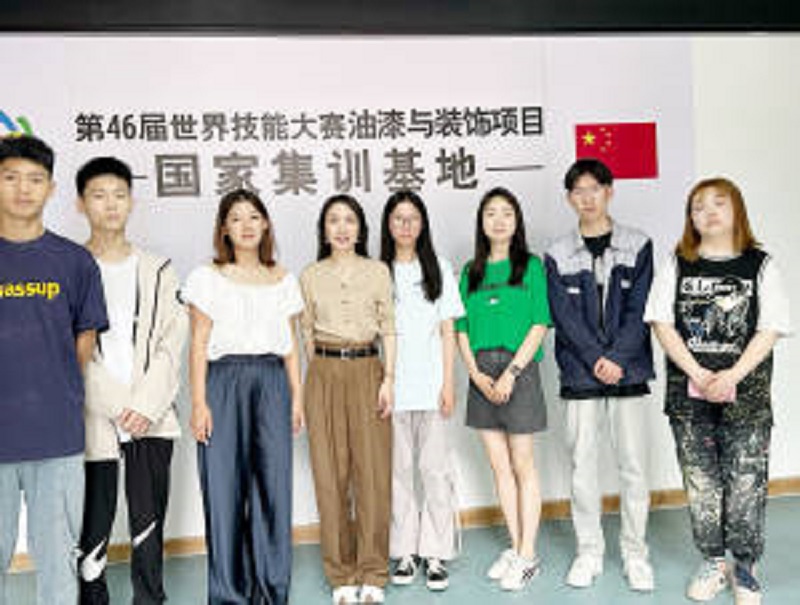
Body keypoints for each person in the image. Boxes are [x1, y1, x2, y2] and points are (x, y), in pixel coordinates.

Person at [645, 177, 791, 605]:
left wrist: (732, 376)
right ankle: (712, 561)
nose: (708, 212)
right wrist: (699, 374)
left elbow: (771, 328)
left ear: (736, 210)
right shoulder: (677, 263)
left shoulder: (760, 265)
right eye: (697, 206)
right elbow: (661, 323)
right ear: (689, 218)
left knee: (746, 481)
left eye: (718, 203)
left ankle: (744, 566)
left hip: (747, 395)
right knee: (701, 483)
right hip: (688, 395)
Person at [0, 135, 108, 605]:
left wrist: (54, 382)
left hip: (57, 437)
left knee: (59, 563)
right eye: (10, 177)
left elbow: (86, 336)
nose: (23, 189)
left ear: (51, 188)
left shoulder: (74, 261)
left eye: (35, 179)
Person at [75, 156, 188, 605]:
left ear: (131, 202)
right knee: (93, 525)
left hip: (150, 416)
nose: (110, 205)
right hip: (93, 417)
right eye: (99, 196)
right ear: (81, 204)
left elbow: (172, 342)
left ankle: (149, 599)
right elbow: (71, 350)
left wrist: (143, 405)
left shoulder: (158, 269)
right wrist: (117, 405)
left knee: (148, 522)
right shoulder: (69, 266)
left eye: (119, 195)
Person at [184, 188, 304, 605]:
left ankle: (271, 589)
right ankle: (229, 594)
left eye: (254, 216)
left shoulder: (283, 279)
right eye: (236, 218)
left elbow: (290, 344)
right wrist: (199, 402)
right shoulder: (206, 277)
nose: (246, 225)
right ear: (224, 229)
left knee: (273, 486)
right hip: (223, 381)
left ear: (266, 224)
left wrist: (297, 395)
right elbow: (198, 343)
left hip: (272, 381)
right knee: (224, 489)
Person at [544, 158, 655, 592]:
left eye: (594, 189)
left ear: (609, 191)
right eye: (578, 191)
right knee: (582, 468)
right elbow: (563, 316)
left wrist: (618, 357)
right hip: (580, 374)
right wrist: (595, 359)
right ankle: (588, 552)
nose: (587, 198)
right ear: (569, 198)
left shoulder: (638, 244)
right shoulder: (556, 253)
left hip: (628, 370)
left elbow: (642, 308)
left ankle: (635, 554)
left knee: (634, 467)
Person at [300, 194, 395, 605]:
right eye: (333, 220)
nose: (342, 228)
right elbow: (305, 331)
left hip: (368, 369)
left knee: (372, 475)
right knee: (330, 476)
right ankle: (340, 573)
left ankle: (373, 571)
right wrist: (319, 377)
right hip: (323, 372)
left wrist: (389, 378)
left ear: (360, 229)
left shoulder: (377, 271)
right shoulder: (310, 275)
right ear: (324, 230)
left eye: (349, 220)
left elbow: (389, 328)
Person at [455, 187, 550, 591]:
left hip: (519, 370)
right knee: (499, 467)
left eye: (506, 213)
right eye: (490, 213)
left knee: (523, 464)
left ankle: (528, 555)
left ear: (516, 221)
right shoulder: (470, 272)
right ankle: (515, 546)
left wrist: (511, 372)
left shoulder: (530, 266)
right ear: (481, 222)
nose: (498, 220)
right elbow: (460, 327)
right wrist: (475, 374)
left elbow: (540, 323)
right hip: (481, 373)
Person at [379, 191, 464, 592]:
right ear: (388, 224)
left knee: (434, 471)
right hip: (392, 389)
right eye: (398, 218)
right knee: (397, 473)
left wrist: (448, 382)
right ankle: (404, 552)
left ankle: (434, 552)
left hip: (431, 387)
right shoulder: (379, 271)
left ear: (423, 224)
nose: (406, 225)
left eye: (412, 218)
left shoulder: (439, 268)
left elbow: (448, 329)